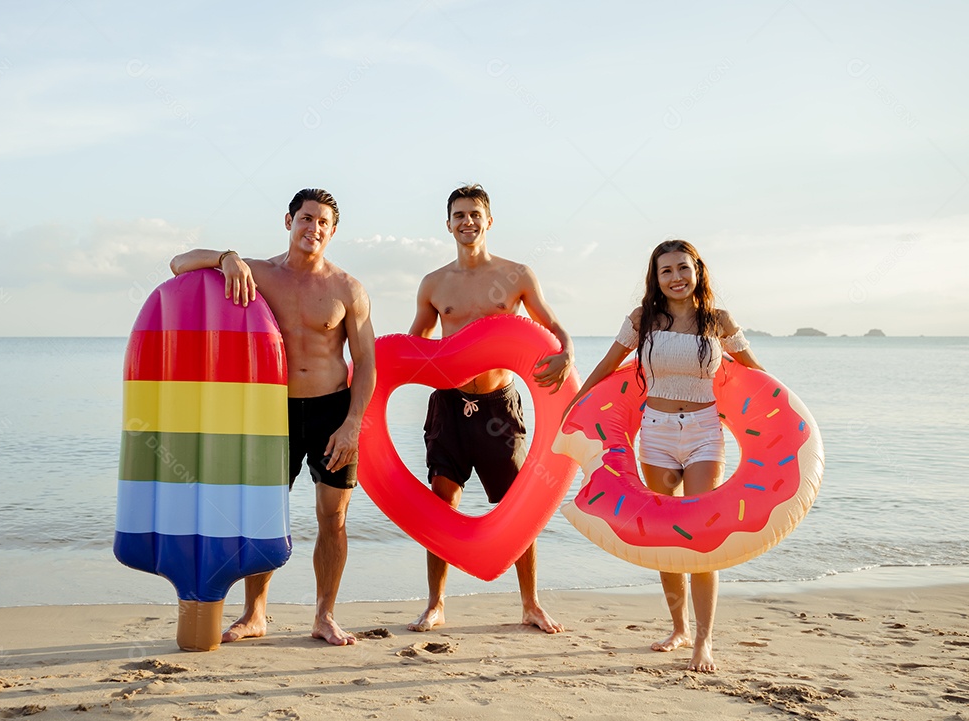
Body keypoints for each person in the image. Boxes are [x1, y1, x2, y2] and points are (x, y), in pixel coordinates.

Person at [169, 188, 376, 646]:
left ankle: (324, 615)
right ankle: (255, 613)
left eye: (323, 223)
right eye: (306, 219)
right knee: (262, 516)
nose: (313, 229)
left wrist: (352, 424)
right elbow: (179, 263)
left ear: (333, 231)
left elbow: (367, 363)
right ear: (288, 222)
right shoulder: (259, 273)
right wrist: (227, 258)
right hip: (271, 413)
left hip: (331, 410)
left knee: (333, 518)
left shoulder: (348, 289)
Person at [567, 239, 764, 672]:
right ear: (655, 278)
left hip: (704, 433)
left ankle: (704, 641)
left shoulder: (718, 321)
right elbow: (607, 365)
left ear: (698, 271)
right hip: (655, 433)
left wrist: (790, 422)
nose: (676, 277)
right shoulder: (643, 320)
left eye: (683, 268)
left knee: (701, 536)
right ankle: (679, 628)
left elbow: (757, 374)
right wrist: (574, 404)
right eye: (666, 271)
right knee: (666, 535)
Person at [406, 184, 574, 634]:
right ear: (448, 224)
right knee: (443, 502)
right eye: (458, 215)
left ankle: (530, 604)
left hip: (500, 405)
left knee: (518, 505)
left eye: (475, 214)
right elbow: (415, 343)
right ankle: (436, 603)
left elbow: (551, 325)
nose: (467, 222)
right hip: (449, 403)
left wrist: (568, 350)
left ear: (489, 221)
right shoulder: (435, 284)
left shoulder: (517, 274)